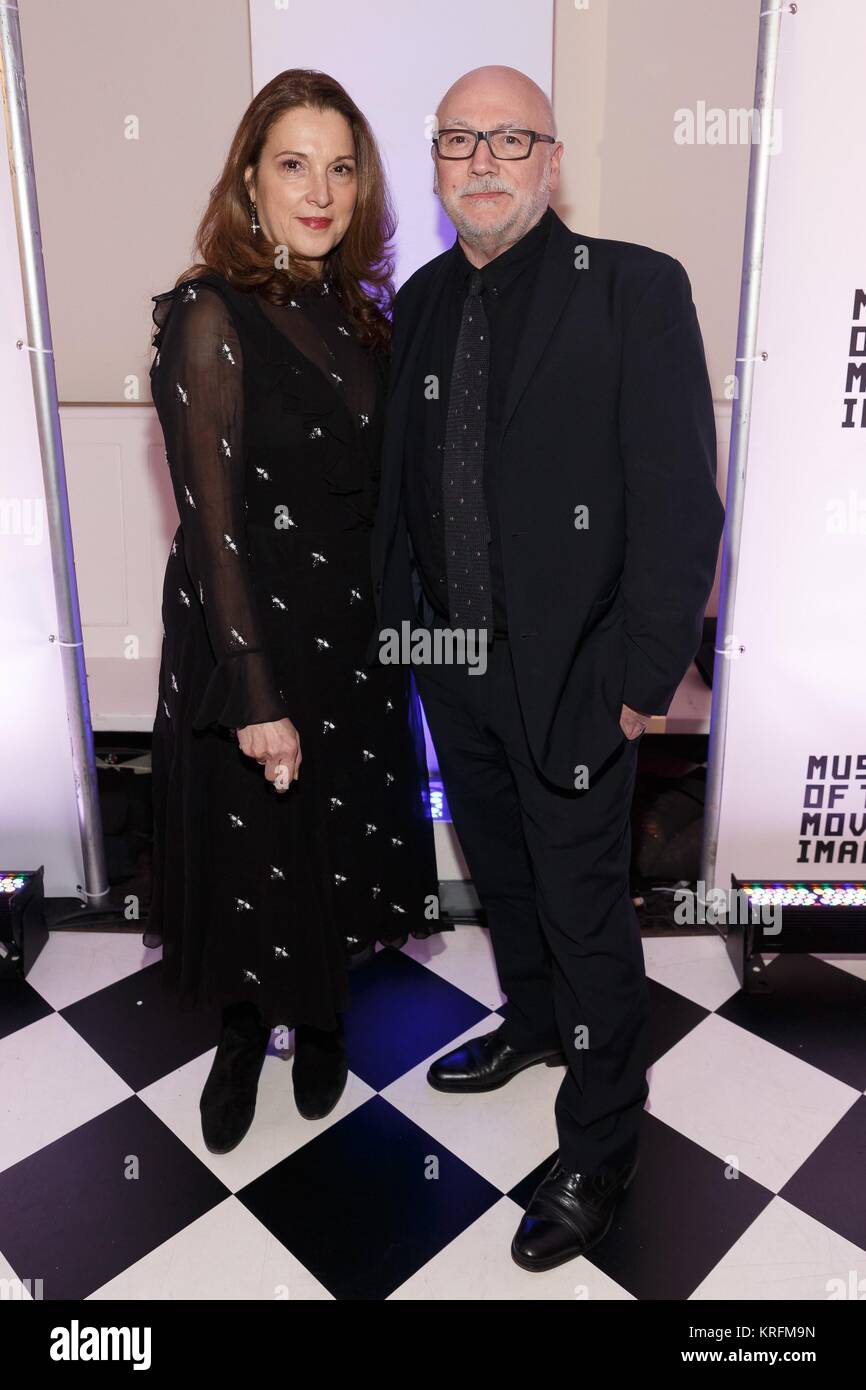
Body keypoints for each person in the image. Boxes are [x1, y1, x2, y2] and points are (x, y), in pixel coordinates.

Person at [370, 65, 725, 1270]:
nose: (481, 161)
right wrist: (407, 650)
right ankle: (529, 1023)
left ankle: (599, 1142)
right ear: (432, 164)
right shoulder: (416, 302)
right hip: (453, 668)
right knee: (506, 881)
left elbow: (681, 500)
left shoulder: (631, 287)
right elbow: (397, 502)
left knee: (585, 918)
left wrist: (641, 678)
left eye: (508, 139)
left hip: (580, 678)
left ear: (550, 159)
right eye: (458, 140)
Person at [145, 69, 442, 1155]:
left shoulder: (360, 315)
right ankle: (238, 1033)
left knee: (327, 844)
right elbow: (211, 525)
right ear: (248, 179)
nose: (318, 190)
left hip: (352, 638)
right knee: (248, 848)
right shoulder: (208, 313)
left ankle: (318, 1019)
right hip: (249, 637)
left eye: (340, 166)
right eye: (292, 164)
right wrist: (255, 692)